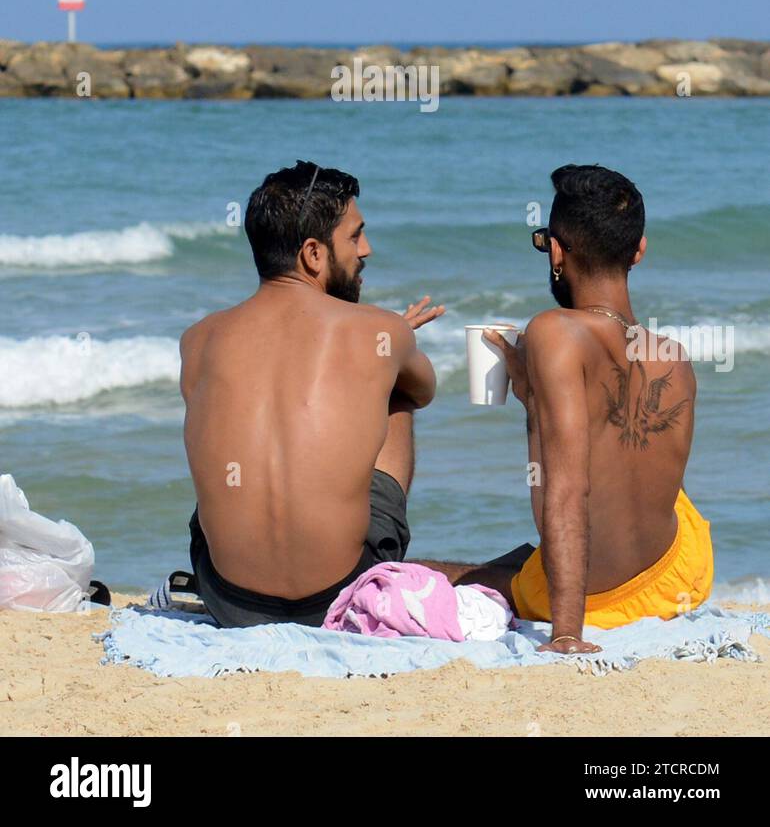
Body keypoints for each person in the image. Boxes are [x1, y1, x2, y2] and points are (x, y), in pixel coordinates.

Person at [433, 164, 713, 655]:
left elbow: (565, 489)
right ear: (638, 251)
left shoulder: (554, 331)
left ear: (558, 251)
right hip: (679, 575)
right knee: (531, 552)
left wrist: (566, 632)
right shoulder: (675, 357)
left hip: (597, 599)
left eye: (545, 244)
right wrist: (533, 397)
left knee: (438, 574)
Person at [180, 160, 443, 627]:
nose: (367, 249)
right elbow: (422, 391)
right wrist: (390, 345)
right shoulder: (381, 330)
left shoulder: (199, 338)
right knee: (394, 392)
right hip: (339, 598)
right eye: (355, 236)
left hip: (230, 603)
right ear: (313, 254)